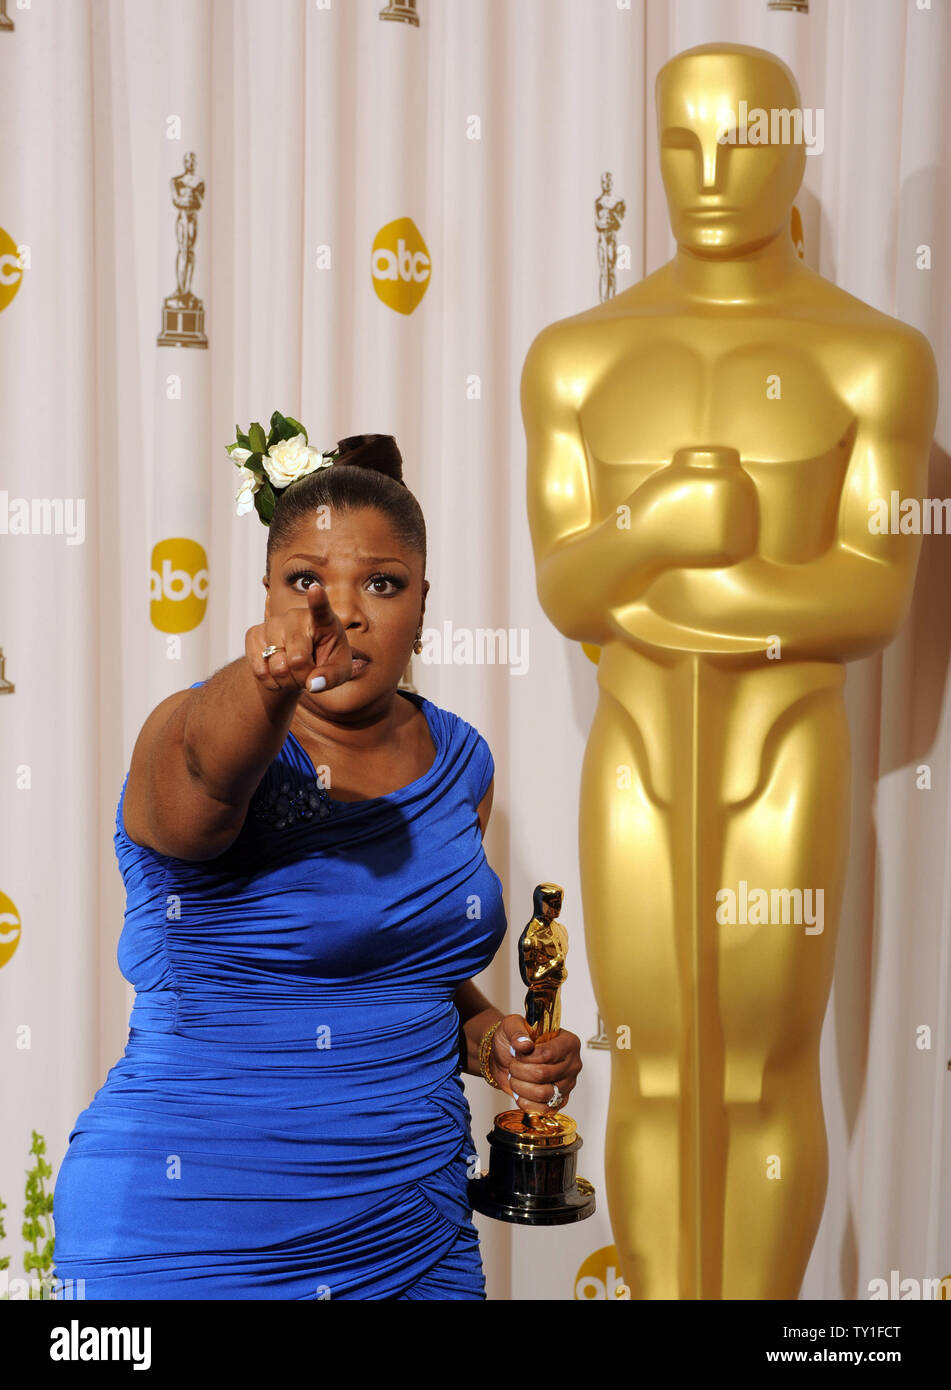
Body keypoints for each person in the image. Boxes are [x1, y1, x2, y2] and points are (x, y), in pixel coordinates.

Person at [51, 428, 584, 1299]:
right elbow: (203, 787)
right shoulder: (188, 728)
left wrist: (499, 1048)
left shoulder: (462, 761)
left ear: (422, 601)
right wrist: (266, 680)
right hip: (196, 1228)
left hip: (413, 1226)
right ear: (265, 595)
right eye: (307, 582)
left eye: (381, 583)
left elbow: (409, 975)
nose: (344, 611)